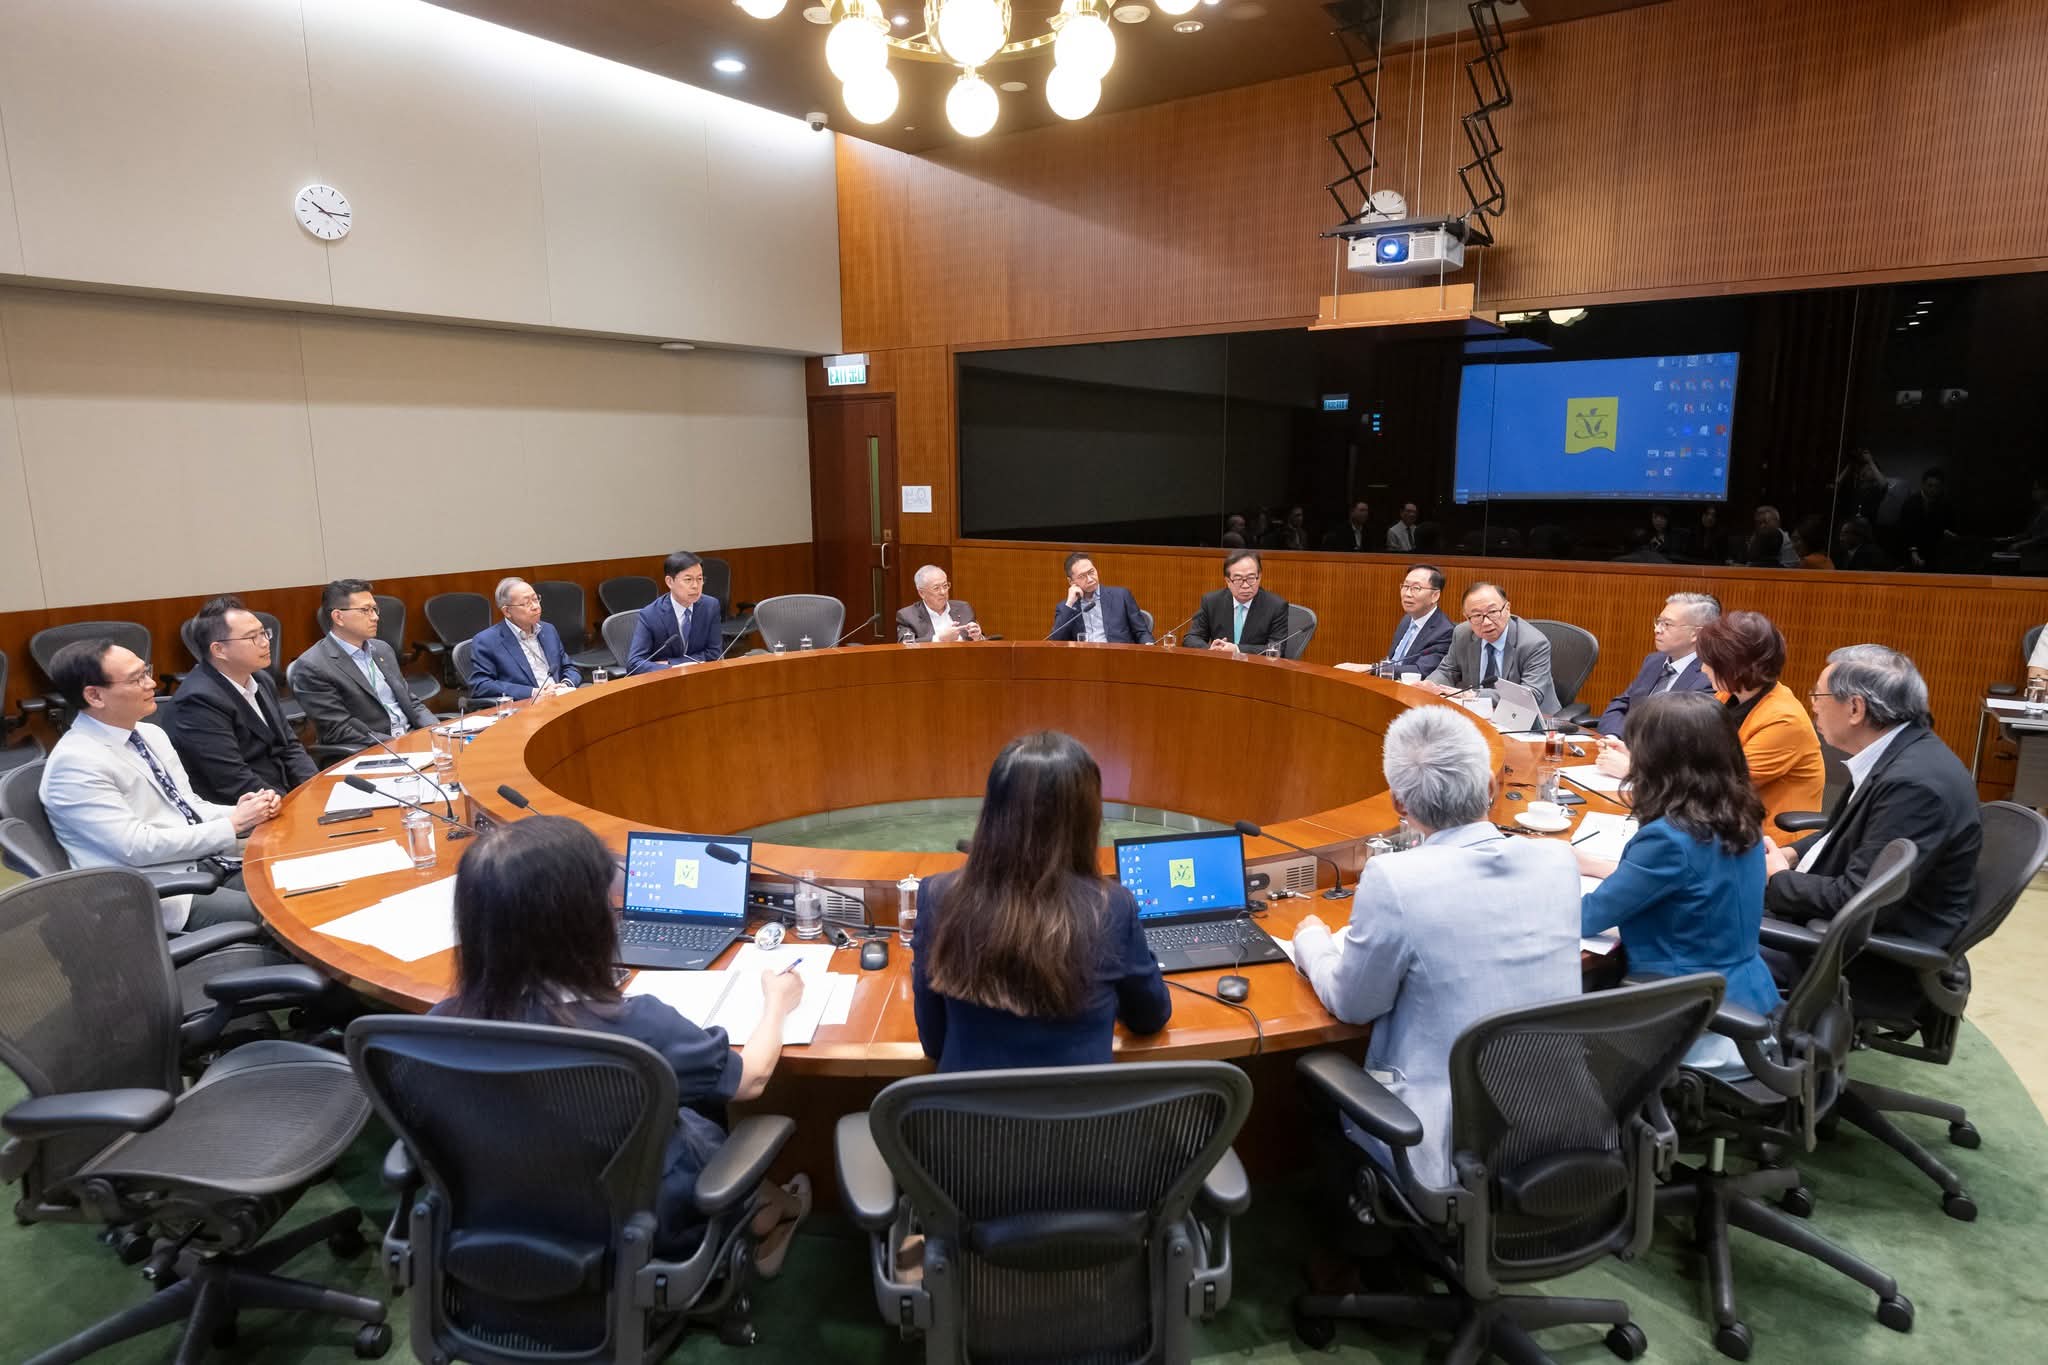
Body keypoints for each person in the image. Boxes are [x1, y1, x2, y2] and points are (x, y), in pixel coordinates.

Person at [432, 816, 811, 1270]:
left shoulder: (439, 1027)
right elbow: (751, 1080)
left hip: (502, 1218)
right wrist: (777, 1004)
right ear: (584, 922)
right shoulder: (636, 1028)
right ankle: (771, 1210)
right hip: (639, 1227)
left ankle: (767, 1206)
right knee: (700, 1113)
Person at [1291, 706, 1582, 1185]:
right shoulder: (1557, 860)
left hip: (1446, 1148)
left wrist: (1311, 943)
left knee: (1309, 1095)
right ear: (1491, 787)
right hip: (1562, 1123)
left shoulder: (1395, 879)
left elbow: (1352, 1004)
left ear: (1399, 804)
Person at [911, 731, 1170, 1070]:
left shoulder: (939, 896)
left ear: (993, 811)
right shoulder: (1112, 907)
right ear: (1086, 816)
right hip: (1082, 1107)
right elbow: (1150, 1018)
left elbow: (933, 1043)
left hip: (968, 1106)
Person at [1763, 645, 1982, 1004]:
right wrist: (1791, 854)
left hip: (1857, 958)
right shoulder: (1898, 752)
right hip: (1835, 928)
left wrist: (1778, 879)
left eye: (1818, 695)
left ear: (1855, 708)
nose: (1812, 705)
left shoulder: (1915, 786)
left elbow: (1857, 899)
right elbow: (1844, 833)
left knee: (1688, 938)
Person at [1578, 692, 1779, 1076]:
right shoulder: (1739, 816)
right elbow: (1684, 881)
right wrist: (1596, 866)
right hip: (1749, 999)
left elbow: (1587, 917)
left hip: (1689, 1022)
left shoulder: (1669, 839)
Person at [38, 639, 275, 932]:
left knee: (299, 882)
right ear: (95, 695)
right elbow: (136, 847)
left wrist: (247, 811)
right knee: (281, 913)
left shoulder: (149, 733)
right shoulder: (76, 763)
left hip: (202, 861)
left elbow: (187, 806)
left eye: (146, 671)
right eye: (136, 679)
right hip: (153, 889)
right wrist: (233, 825)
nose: (152, 684)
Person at [1601, 610, 1821, 831]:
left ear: (1735, 666)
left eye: (1709, 662)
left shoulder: (1784, 721)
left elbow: (1718, 785)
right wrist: (1641, 756)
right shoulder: (1728, 695)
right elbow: (1693, 755)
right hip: (1717, 822)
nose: (1703, 669)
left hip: (1764, 838)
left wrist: (1637, 771)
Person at [171, 595, 316, 802]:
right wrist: (289, 805)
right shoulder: (197, 702)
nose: (265, 642)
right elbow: (232, 780)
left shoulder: (261, 679)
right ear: (219, 650)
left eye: (264, 633)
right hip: (247, 808)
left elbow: (289, 746)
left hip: (285, 796)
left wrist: (315, 789)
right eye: (252, 637)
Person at [291, 579, 439, 751]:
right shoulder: (313, 666)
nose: (375, 617)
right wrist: (399, 745)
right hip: (374, 749)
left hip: (412, 740)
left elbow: (411, 702)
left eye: (374, 609)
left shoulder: (382, 649)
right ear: (338, 617)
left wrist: (437, 731)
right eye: (365, 610)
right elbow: (338, 729)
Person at [1417, 583, 1561, 714]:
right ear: (1467, 617)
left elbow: (1530, 695)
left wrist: (1475, 695)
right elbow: (1447, 671)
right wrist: (1432, 685)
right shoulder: (1462, 634)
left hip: (1532, 719)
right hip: (1479, 714)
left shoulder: (1533, 643)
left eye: (1492, 612)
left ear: (1507, 609)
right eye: (1477, 615)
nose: (1486, 622)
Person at [1595, 591, 1719, 738]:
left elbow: (1681, 731)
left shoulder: (1710, 676)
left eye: (1667, 624)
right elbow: (1622, 704)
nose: (1657, 630)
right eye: (1658, 622)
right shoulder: (1654, 661)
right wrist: (1614, 736)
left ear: (1696, 634)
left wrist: (1631, 747)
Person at [467, 577, 581, 699]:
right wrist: (533, 692)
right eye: (526, 603)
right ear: (507, 611)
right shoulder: (487, 641)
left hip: (560, 698)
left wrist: (565, 685)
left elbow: (569, 667)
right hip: (527, 704)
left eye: (535, 599)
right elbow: (480, 685)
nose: (535, 606)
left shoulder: (548, 630)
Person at [627, 550, 723, 672]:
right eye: (688, 580)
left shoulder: (710, 606)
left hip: (700, 675)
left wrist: (672, 663)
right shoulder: (650, 615)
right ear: (670, 582)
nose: (695, 586)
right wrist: (673, 669)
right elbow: (634, 663)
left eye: (699, 579)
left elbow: (715, 654)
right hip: (665, 679)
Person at [1182, 550, 1290, 655]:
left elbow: (1277, 648)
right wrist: (1211, 650)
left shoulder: (1276, 606)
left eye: (1251, 578)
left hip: (1254, 666)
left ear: (1259, 577)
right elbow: (1191, 638)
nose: (1245, 585)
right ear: (1228, 581)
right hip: (1220, 664)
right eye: (1238, 579)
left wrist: (1237, 649)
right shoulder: (1212, 602)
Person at [1047, 553, 1152, 643]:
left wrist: (1149, 645)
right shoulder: (1066, 607)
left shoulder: (1121, 596)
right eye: (1082, 576)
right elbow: (1055, 642)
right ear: (1071, 581)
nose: (1090, 579)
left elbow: (1141, 632)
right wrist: (1070, 603)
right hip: (1084, 657)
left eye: (1091, 572)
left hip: (1118, 656)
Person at [1384, 564, 1453, 676]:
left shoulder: (1445, 631)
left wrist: (1374, 668)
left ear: (1435, 596)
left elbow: (1420, 671)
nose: (1407, 594)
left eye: (1416, 588)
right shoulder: (1407, 620)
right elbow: (1393, 661)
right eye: (1405, 586)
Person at [896, 565, 983, 643]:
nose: (943, 592)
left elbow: (982, 642)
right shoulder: (907, 616)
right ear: (922, 593)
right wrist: (939, 639)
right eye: (936, 588)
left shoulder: (964, 608)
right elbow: (906, 645)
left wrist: (978, 638)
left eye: (945, 586)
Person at [1897, 469, 1957, 570]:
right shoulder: (1911, 503)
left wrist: (1947, 532)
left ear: (1941, 487)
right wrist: (1913, 552)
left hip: (1936, 549)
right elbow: (1907, 531)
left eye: (1937, 486)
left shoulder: (1945, 503)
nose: (1933, 489)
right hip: (1913, 547)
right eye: (1930, 485)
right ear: (1923, 485)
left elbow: (1948, 525)